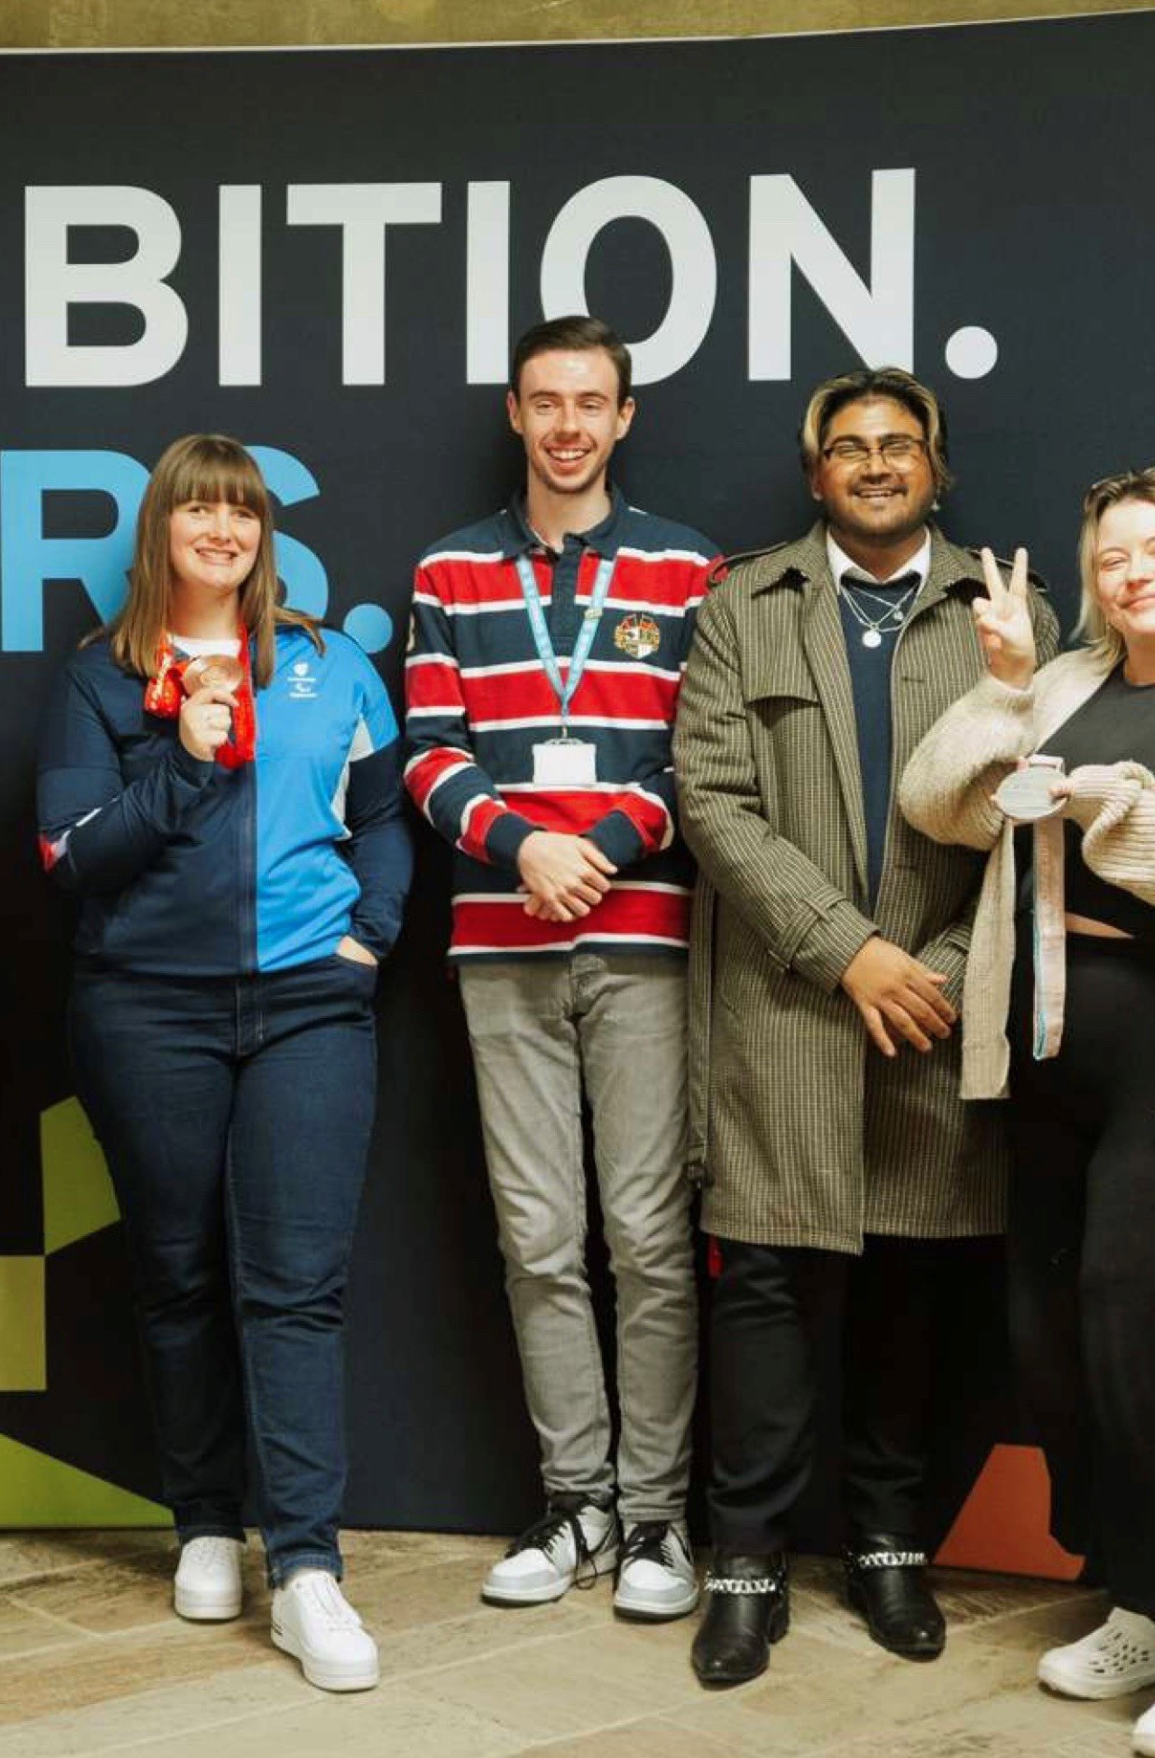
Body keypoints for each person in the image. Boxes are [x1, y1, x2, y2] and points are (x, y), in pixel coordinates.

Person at [900, 465, 1155, 1758]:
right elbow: (941, 805)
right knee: (1055, 1350)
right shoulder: (1071, 685)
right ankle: (1141, 1598)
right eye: (1112, 556)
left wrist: (1109, 809)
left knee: (1150, 1355)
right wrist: (1008, 688)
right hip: (1048, 1061)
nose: (1134, 572)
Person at [671, 366, 1062, 1685]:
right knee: (770, 1291)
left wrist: (934, 966)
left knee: (910, 1284)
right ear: (816, 476)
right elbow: (713, 802)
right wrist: (851, 954)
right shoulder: (743, 604)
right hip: (786, 999)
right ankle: (745, 1561)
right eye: (851, 448)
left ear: (937, 469)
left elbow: (1037, 814)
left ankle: (891, 1543)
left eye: (901, 445)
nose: (878, 464)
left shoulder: (1011, 614)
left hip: (940, 1007)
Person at [36, 433, 411, 1693]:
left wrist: (373, 936)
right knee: (179, 1270)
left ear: (264, 532)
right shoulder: (102, 677)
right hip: (147, 1009)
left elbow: (383, 814)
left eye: (239, 509)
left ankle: (307, 1567)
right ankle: (204, 1519)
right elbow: (73, 859)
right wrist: (185, 759)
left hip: (311, 1000)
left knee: (294, 1283)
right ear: (161, 529)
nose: (221, 527)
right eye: (196, 506)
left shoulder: (328, 661)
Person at [400, 315, 716, 1625]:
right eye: (547, 402)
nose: (569, 424)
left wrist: (593, 852)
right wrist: (527, 848)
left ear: (624, 417)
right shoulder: (449, 572)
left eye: (592, 402)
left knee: (648, 1240)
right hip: (501, 944)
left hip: (640, 940)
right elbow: (426, 750)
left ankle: (656, 1517)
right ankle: (575, 1501)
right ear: (517, 416)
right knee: (539, 1242)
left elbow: (697, 759)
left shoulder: (693, 568)